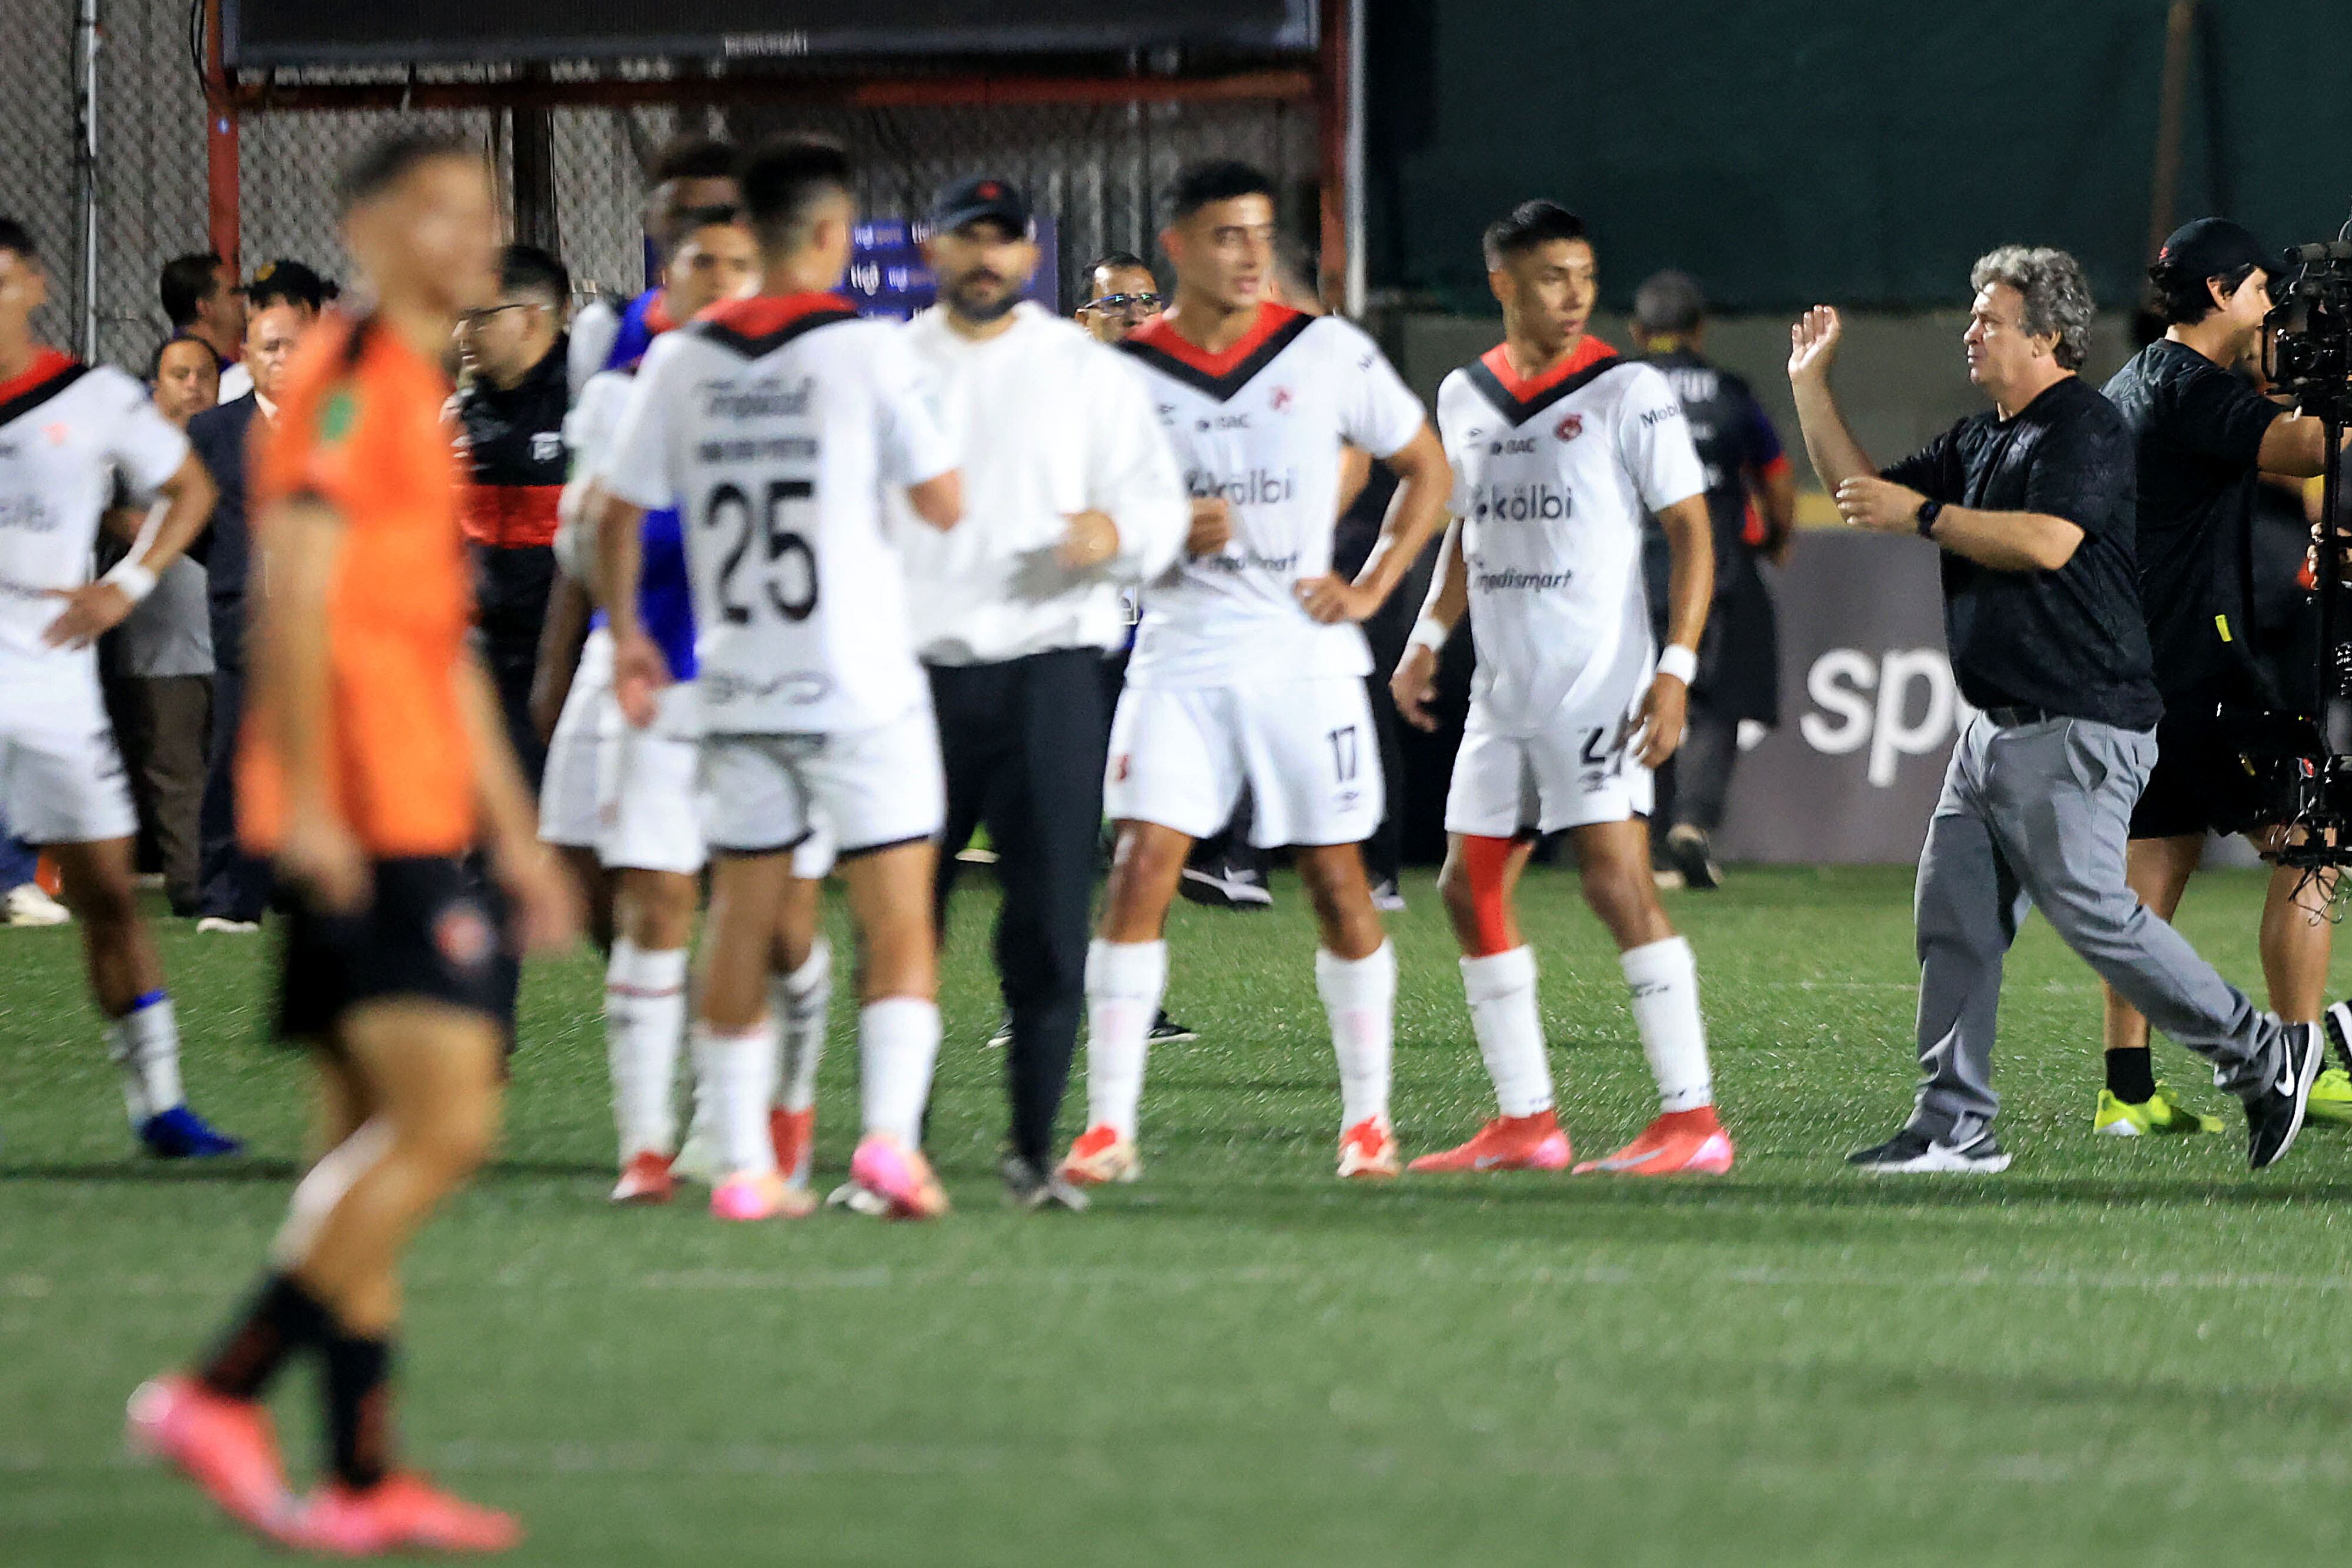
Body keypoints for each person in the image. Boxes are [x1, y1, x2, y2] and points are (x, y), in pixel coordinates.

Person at [128, 131, 576, 1553]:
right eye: (441, 212)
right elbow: (300, 597)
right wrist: (313, 801)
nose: (471, 238)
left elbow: (434, 641)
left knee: (357, 1156)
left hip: (415, 809)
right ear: (373, 229)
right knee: (449, 1123)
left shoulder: (409, 395)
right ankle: (216, 1391)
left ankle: (364, 1481)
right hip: (360, 817)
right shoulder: (346, 387)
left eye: (484, 214)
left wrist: (513, 835)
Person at [1788, 245, 2341, 1174]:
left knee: (2100, 915)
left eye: (1988, 318)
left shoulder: (2084, 425)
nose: (1970, 330)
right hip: (1996, 729)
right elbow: (1860, 497)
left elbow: (2047, 542)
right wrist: (1811, 387)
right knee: (1954, 914)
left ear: (2048, 334)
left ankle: (2266, 1054)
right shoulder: (1983, 436)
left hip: (2079, 718)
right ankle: (1954, 1121)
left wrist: (1921, 518)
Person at [1061, 159, 1451, 1186]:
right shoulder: (1121, 375)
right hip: (1179, 655)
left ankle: (1367, 1122)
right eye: (1225, 235)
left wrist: (1371, 589)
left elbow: (1429, 467)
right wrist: (1148, 528)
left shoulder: (1323, 352)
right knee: (1142, 869)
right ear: (1181, 245)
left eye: (1260, 234)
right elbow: (1073, 523)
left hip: (1303, 657)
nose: (1248, 254)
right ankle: (1108, 1124)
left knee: (1334, 881)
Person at [599, 133, 963, 1223]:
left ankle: (747, 1166)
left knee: (741, 920)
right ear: (826, 234)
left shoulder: (679, 360)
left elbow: (617, 515)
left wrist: (626, 634)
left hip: (741, 681)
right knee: (896, 921)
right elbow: (944, 502)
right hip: (859, 686)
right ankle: (890, 1145)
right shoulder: (869, 350)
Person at [1393, 202, 1733, 1178]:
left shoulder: (1630, 390)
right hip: (1503, 692)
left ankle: (1692, 1120)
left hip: (1600, 686)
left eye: (1586, 274)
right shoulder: (1465, 395)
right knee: (1466, 885)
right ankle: (1527, 1121)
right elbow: (1469, 526)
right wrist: (1426, 637)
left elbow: (1693, 534)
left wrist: (1674, 670)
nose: (1577, 293)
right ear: (1503, 284)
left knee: (1614, 880)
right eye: (1553, 276)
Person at [895, 176, 1189, 1208]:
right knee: (902, 925)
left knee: (1054, 922)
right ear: (934, 250)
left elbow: (1157, 506)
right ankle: (897, 1149)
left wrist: (1118, 534)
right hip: (918, 676)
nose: (987, 258)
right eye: (967, 239)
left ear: (1031, 258)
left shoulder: (1084, 370)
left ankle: (1029, 1153)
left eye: (1004, 242)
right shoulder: (891, 366)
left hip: (1054, 673)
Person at [554, 202, 838, 1209]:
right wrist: (600, 541)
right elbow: (582, 546)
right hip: (664, 683)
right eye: (699, 262)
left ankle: (787, 1099)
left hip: (780, 684)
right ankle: (649, 1144)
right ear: (664, 278)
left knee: (783, 926)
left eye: (738, 263)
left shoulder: (815, 377)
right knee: (657, 903)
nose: (719, 279)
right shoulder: (623, 393)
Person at [2092, 219, 2352, 1136]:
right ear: (2218, 293)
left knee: (2154, 865)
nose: (2274, 302)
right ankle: (2302, 1059)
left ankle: (2125, 1091)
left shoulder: (2150, 378)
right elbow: (2311, 449)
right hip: (2197, 664)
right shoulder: (2186, 385)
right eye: (2259, 286)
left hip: (2145, 658)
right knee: (2309, 837)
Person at [0, 217, 239, 1156]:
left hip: (53, 681)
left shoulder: (90, 395)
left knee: (105, 887)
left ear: (37, 285)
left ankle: (163, 1105)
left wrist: (126, 584)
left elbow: (191, 489)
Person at [1629, 270, 1798, 890]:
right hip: (1715, 569)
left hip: (1632, 574)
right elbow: (1776, 478)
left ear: (1638, 332)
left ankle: (1647, 845)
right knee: (1713, 702)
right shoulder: (1733, 394)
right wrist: (1778, 540)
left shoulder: (1614, 392)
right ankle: (1693, 826)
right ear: (1700, 331)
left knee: (1644, 697)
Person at [188, 295, 314, 933]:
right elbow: (187, 520)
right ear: (246, 357)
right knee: (238, 747)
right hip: (246, 609)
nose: (284, 360)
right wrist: (233, 573)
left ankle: (309, 888)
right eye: (271, 347)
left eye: (295, 345)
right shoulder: (211, 432)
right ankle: (228, 897)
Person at [454, 244, 572, 786]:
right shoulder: (459, 417)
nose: (463, 334)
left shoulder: (591, 400)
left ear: (529, 319)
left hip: (573, 652)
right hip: (485, 656)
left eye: (479, 317)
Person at [113, 336, 223, 914]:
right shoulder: (128, 455)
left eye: (204, 374)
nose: (194, 385)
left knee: (229, 766)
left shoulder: (231, 441)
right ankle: (192, 885)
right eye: (180, 374)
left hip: (229, 637)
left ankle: (233, 879)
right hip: (160, 644)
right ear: (156, 384)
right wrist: (118, 520)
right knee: (176, 771)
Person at [567, 135, 742, 397]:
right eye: (688, 219)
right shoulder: (608, 330)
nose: (710, 232)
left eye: (726, 217)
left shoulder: (798, 334)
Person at [159, 252, 248, 399]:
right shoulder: (224, 378)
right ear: (205, 308)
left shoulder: (162, 368)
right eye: (233, 293)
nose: (242, 299)